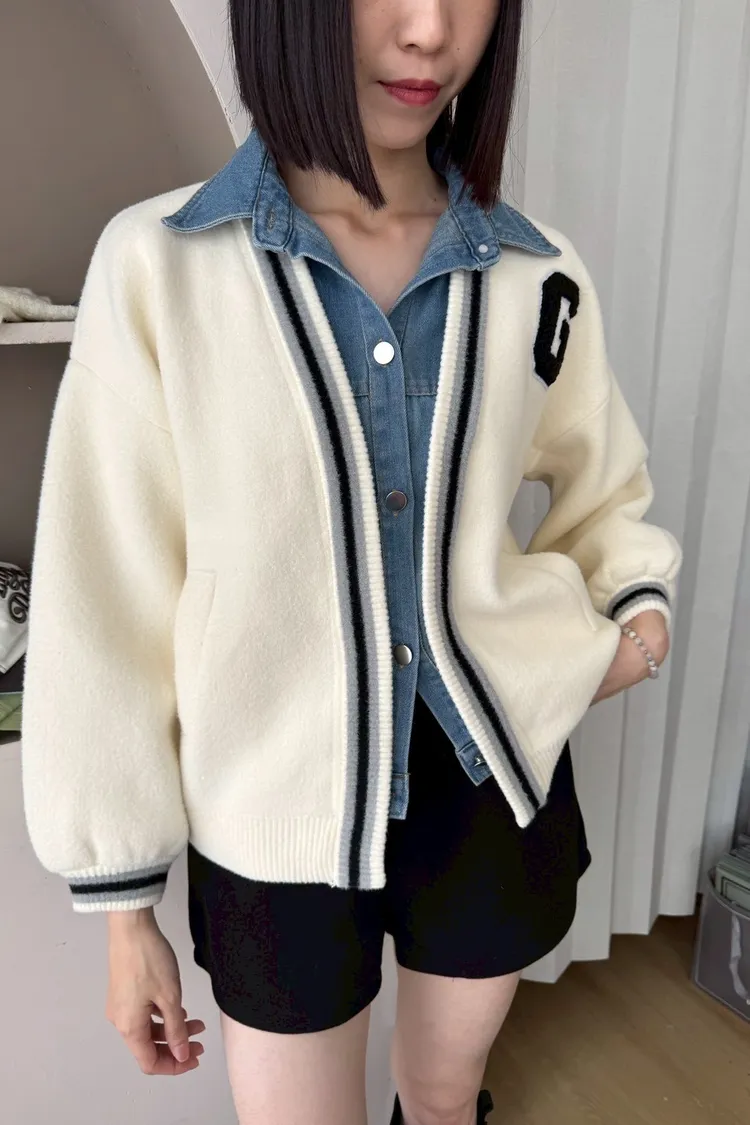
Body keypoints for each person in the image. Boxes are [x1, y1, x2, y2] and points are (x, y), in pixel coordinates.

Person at [21, 2, 682, 1124]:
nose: (430, 31)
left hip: (487, 785)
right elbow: (105, 587)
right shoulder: (161, 265)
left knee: (444, 1098)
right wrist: (125, 912)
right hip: (273, 810)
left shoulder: (538, 273)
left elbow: (606, 490)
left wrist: (635, 628)